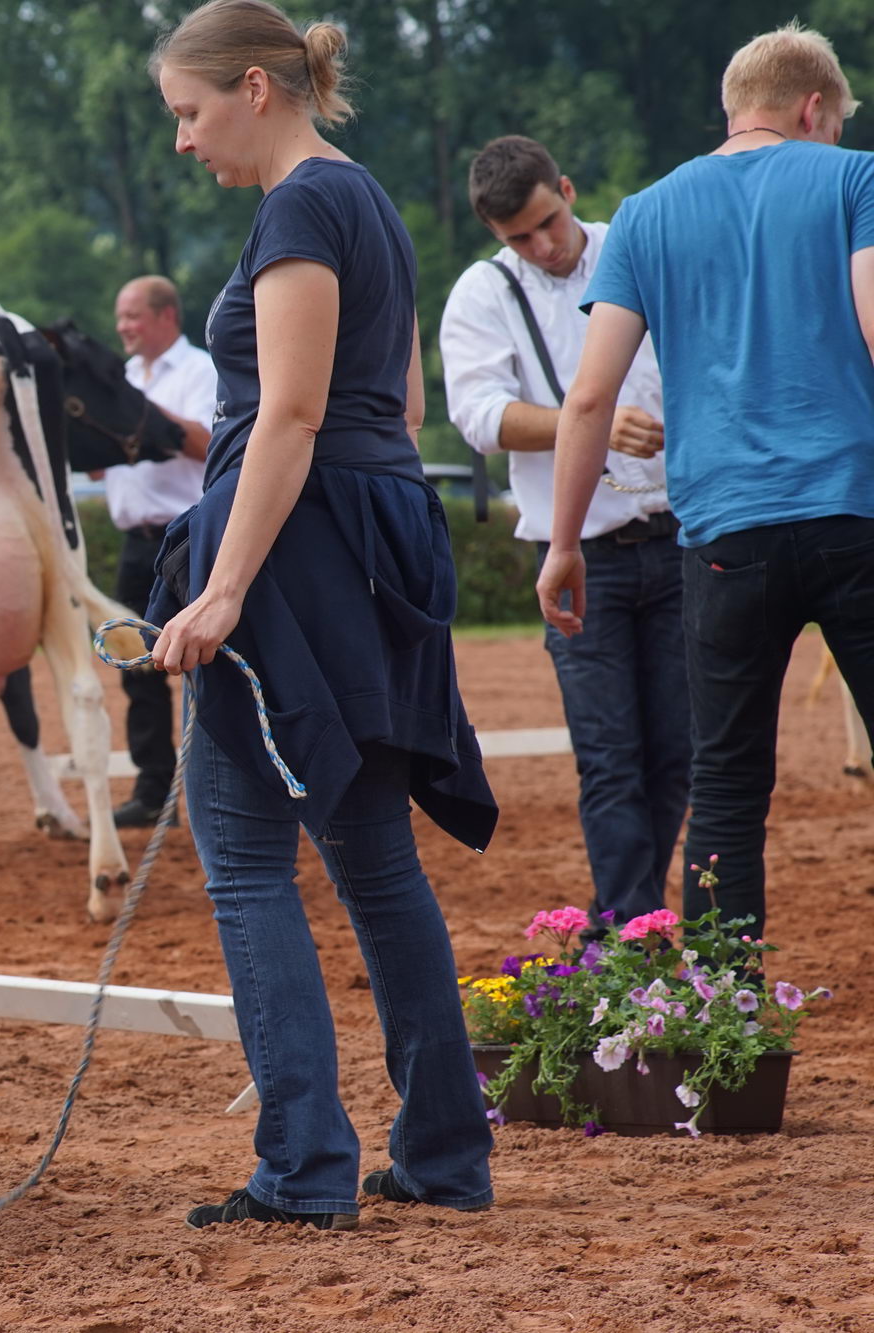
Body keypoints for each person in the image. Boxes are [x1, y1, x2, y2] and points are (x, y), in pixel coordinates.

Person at [145, 0, 497, 1230]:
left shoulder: (298, 205)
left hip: (298, 541)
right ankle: (444, 1157)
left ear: (252, 86)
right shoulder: (366, 197)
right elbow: (393, 403)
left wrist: (224, 586)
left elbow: (288, 415)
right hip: (373, 525)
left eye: (186, 113)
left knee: (244, 859)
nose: (182, 142)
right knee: (372, 857)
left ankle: (301, 1167)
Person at [539, 23, 874, 943]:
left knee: (725, 785)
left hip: (724, 536)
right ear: (815, 108)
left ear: (732, 110)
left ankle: (720, 1025)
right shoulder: (856, 179)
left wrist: (566, 542)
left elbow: (589, 398)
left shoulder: (643, 213)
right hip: (856, 512)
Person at [440, 136, 686, 928]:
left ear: (568, 188)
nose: (541, 247)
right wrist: (595, 426)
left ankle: (623, 915)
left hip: (682, 536)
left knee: (678, 754)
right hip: (581, 555)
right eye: (518, 238)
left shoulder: (637, 247)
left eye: (547, 222)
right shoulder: (482, 294)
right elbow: (477, 418)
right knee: (611, 759)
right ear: (494, 235)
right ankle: (634, 933)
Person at [102, 275, 216, 828]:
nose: (122, 327)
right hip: (134, 545)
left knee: (209, 663)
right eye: (121, 318)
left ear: (166, 316)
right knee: (137, 670)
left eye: (132, 316)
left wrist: (140, 413)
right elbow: (100, 463)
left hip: (190, 539)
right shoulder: (121, 377)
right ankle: (153, 792)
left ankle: (221, 789)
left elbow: (209, 444)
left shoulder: (200, 371)